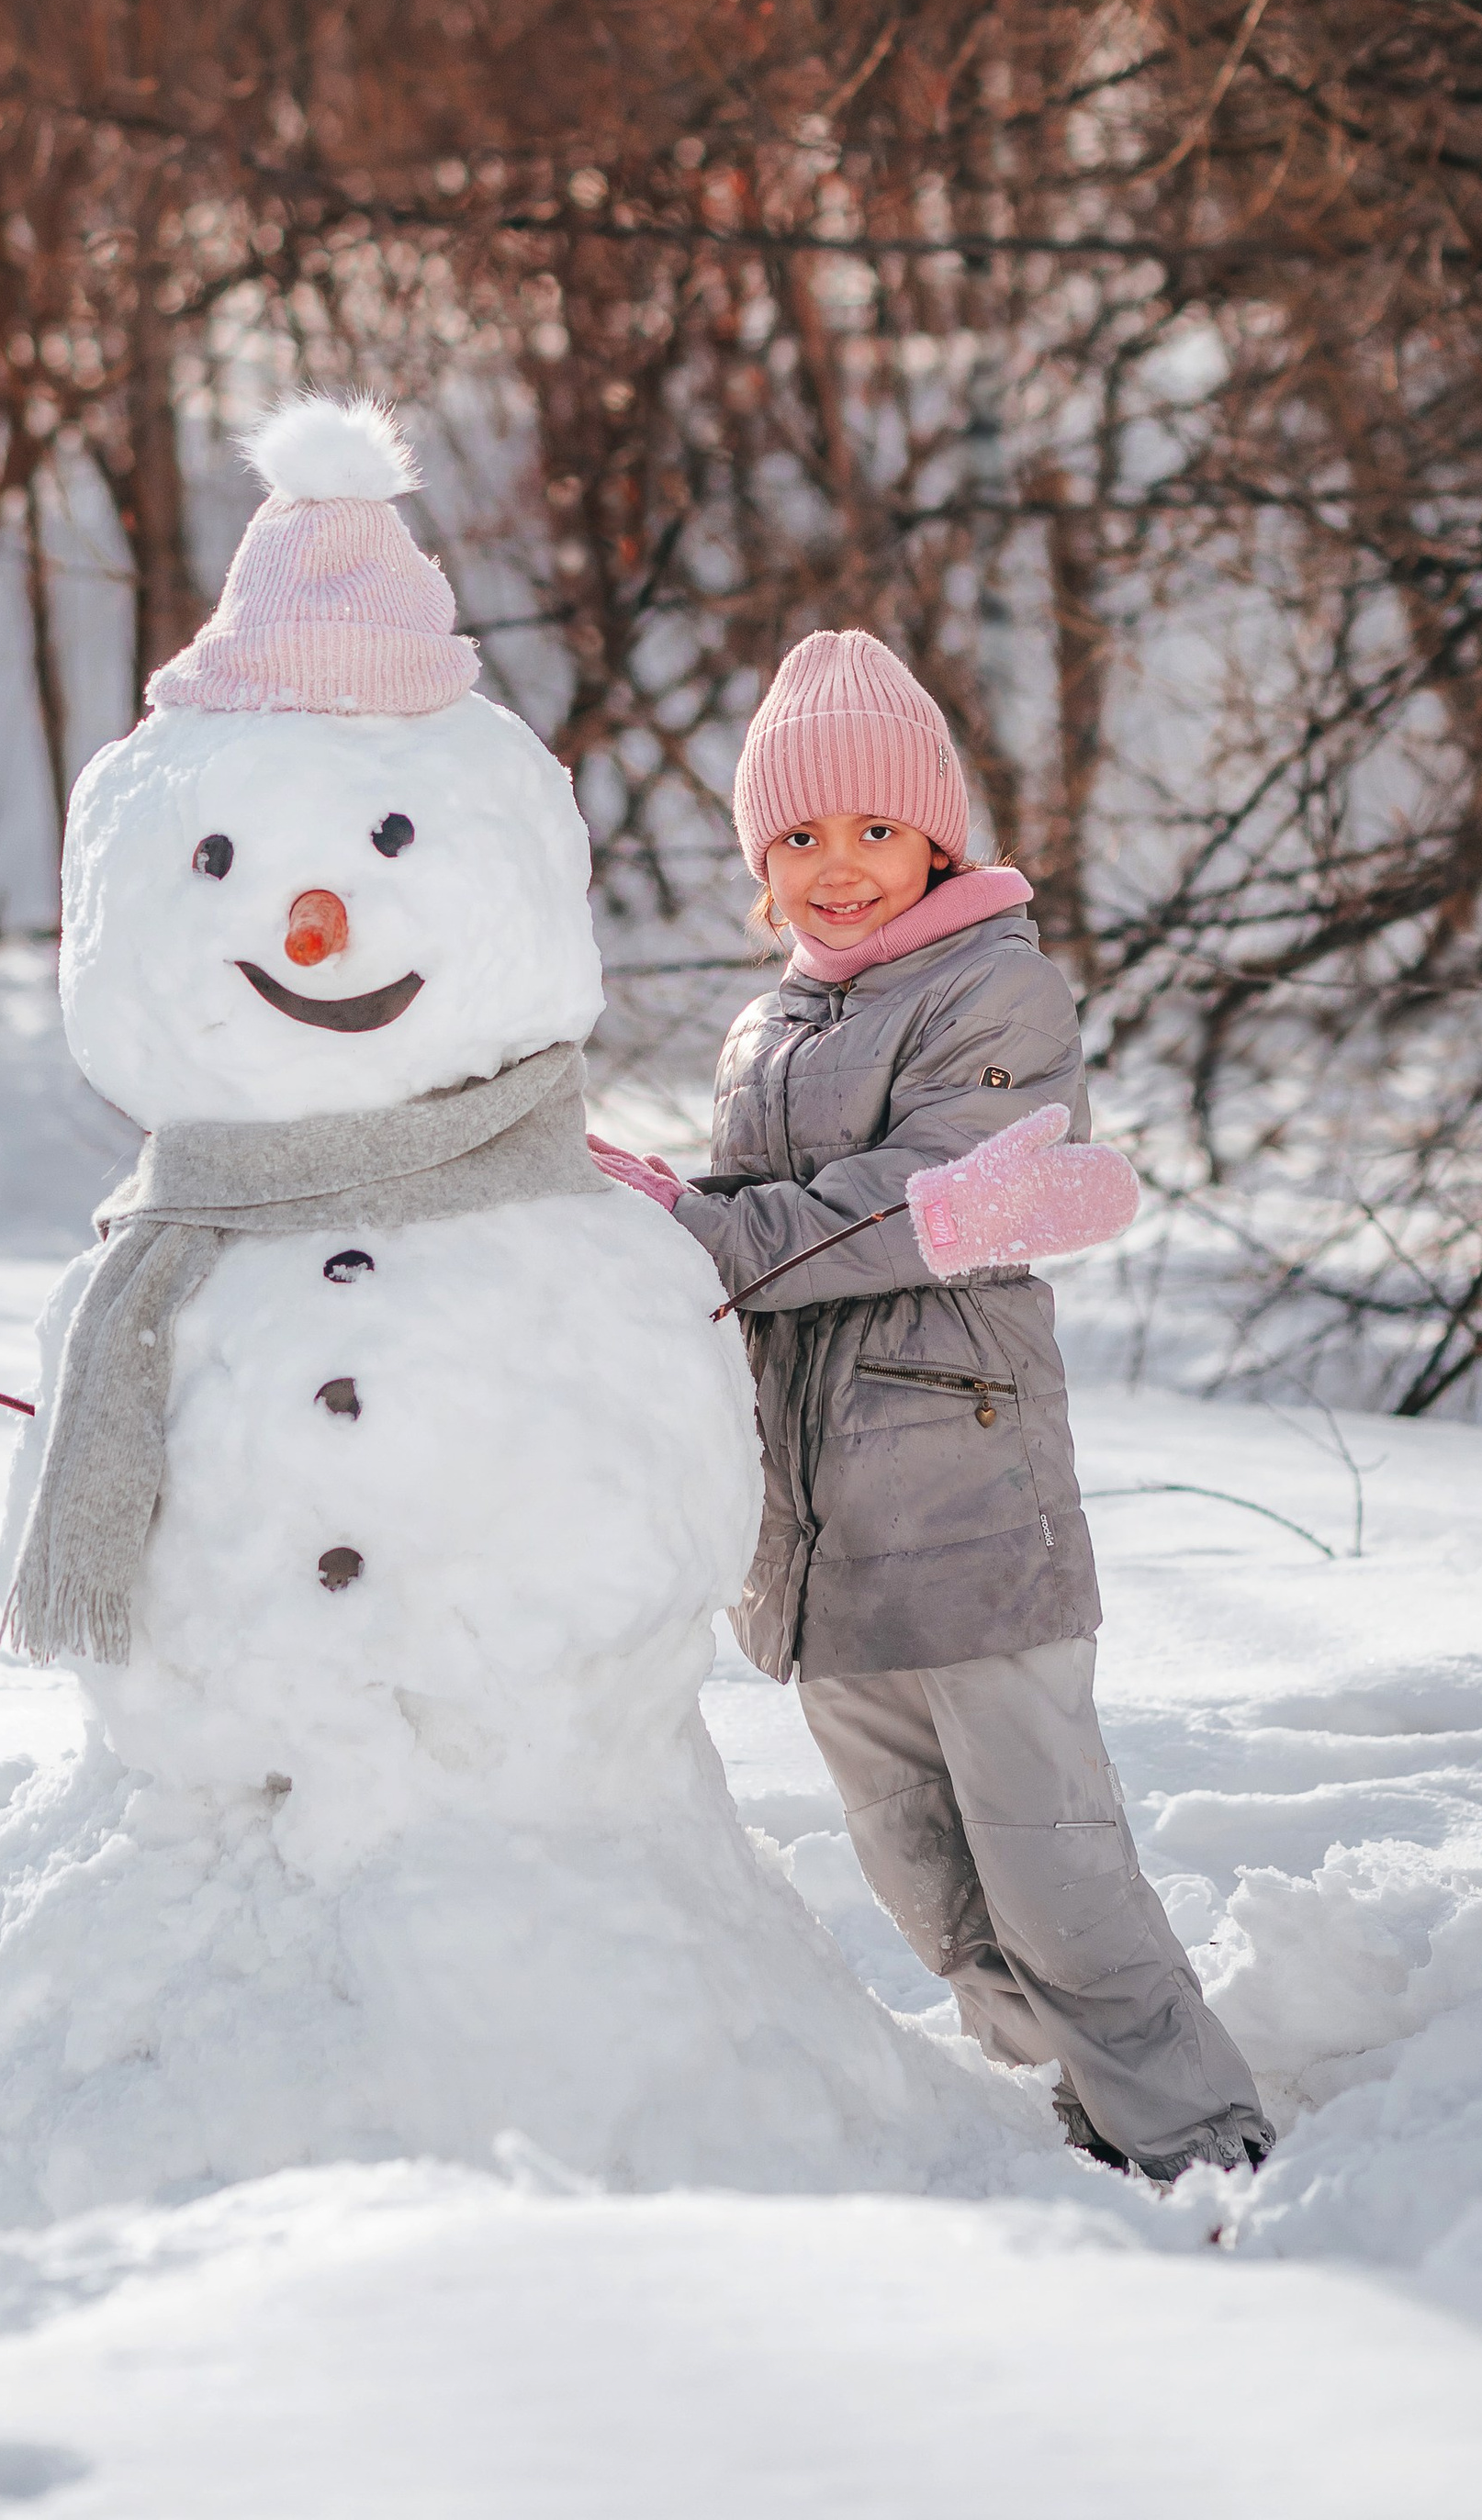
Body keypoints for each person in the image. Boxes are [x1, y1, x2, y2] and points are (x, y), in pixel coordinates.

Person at [590, 628, 1273, 2185]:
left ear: (938, 836)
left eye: (877, 831)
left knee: (1056, 1876)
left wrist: (694, 1234)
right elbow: (766, 1221)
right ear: (764, 865)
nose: (842, 868)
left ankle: (1200, 2137)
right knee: (925, 1884)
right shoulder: (770, 1027)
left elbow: (898, 1208)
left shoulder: (996, 989)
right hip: (825, 1542)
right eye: (802, 839)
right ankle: (1069, 2111)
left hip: (969, 1514)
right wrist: (648, 1211)